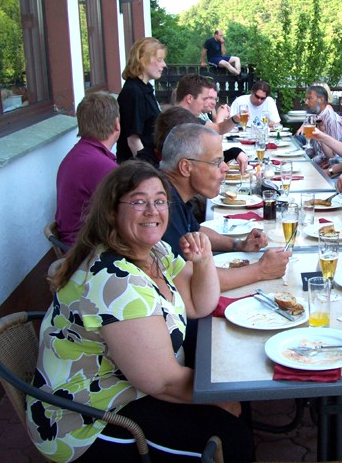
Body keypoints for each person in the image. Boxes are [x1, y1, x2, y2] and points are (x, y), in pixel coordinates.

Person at [27, 161, 254, 462]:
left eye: (159, 201)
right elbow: (163, 382)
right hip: (88, 419)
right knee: (232, 435)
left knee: (236, 408)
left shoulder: (154, 251)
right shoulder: (116, 280)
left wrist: (203, 261)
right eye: (138, 202)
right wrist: (221, 396)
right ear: (112, 212)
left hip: (128, 388)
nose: (152, 211)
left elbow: (199, 304)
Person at [160, 123, 291, 290]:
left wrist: (238, 245)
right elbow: (190, 279)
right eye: (217, 162)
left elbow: (195, 231)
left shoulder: (171, 192)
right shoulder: (161, 207)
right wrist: (261, 270)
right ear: (186, 167)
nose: (226, 168)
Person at [55, 92, 119, 246]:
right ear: (116, 124)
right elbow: (124, 218)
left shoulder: (78, 154)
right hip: (87, 249)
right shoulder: (103, 166)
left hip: (74, 242)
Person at [174, 74, 248, 172]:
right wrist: (233, 153)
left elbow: (218, 129)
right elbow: (212, 147)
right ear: (190, 98)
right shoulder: (181, 121)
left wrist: (235, 118)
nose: (205, 104)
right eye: (204, 99)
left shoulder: (186, 117)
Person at [117, 37, 167, 166]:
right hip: (137, 168)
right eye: (159, 60)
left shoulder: (145, 88)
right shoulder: (133, 92)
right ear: (142, 60)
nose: (164, 65)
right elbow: (133, 140)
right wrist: (149, 172)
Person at [297, 85, 342, 164]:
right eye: (306, 99)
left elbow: (337, 156)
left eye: (310, 98)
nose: (306, 102)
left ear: (321, 100)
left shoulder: (332, 120)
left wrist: (310, 162)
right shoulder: (317, 117)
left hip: (328, 167)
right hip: (318, 160)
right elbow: (317, 150)